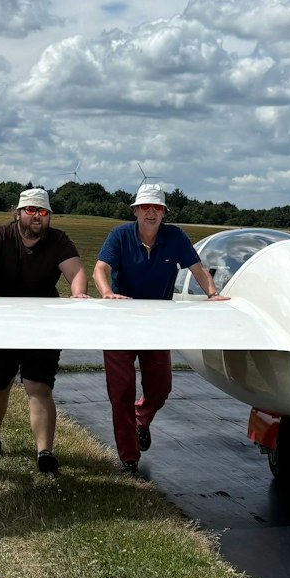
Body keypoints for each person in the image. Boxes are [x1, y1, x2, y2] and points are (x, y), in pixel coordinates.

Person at [94, 182, 224, 477]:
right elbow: (101, 268)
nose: (151, 212)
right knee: (121, 392)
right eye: (145, 207)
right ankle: (129, 458)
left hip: (157, 321)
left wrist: (213, 294)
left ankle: (142, 419)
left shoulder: (174, 236)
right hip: (121, 321)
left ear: (164, 213)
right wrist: (106, 293)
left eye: (157, 208)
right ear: (136, 211)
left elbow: (197, 268)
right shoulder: (120, 235)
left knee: (161, 388)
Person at [0, 187, 88, 476]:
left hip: (44, 323)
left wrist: (78, 293)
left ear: (49, 217)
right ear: (18, 213)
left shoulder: (59, 240)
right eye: (31, 210)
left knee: (39, 385)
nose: (37, 217)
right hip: (0, 321)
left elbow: (76, 272)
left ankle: (45, 453)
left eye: (43, 212)